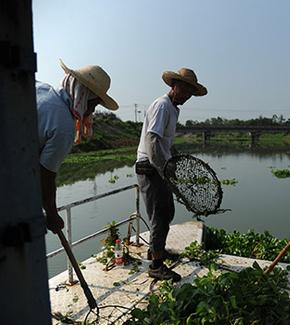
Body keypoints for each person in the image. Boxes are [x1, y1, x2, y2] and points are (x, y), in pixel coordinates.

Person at [135, 68, 207, 281]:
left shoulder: (174, 110)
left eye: (190, 92)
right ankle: (156, 265)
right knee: (160, 215)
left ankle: (157, 250)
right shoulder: (162, 105)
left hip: (160, 167)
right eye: (184, 89)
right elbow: (153, 141)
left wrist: (173, 160)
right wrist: (165, 170)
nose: (186, 95)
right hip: (150, 167)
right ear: (173, 86)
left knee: (166, 213)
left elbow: (165, 144)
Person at [38, 60, 118, 234]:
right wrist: (52, 214)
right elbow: (44, 175)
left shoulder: (42, 88)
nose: (93, 111)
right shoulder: (63, 126)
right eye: (94, 104)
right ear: (84, 96)